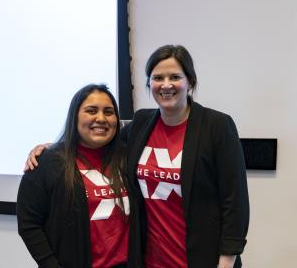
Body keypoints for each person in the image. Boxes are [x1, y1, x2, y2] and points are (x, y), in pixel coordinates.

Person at [25, 45, 249, 268]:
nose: (166, 84)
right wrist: (53, 148)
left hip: (201, 260)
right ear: (149, 84)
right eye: (158, 77)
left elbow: (235, 200)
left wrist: (226, 262)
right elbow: (100, 137)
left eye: (175, 77)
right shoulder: (141, 124)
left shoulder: (216, 127)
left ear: (190, 82)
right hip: (150, 261)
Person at [17, 84, 129, 268]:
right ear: (74, 116)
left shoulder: (129, 157)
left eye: (109, 112)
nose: (101, 118)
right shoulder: (47, 162)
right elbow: (29, 224)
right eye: (91, 111)